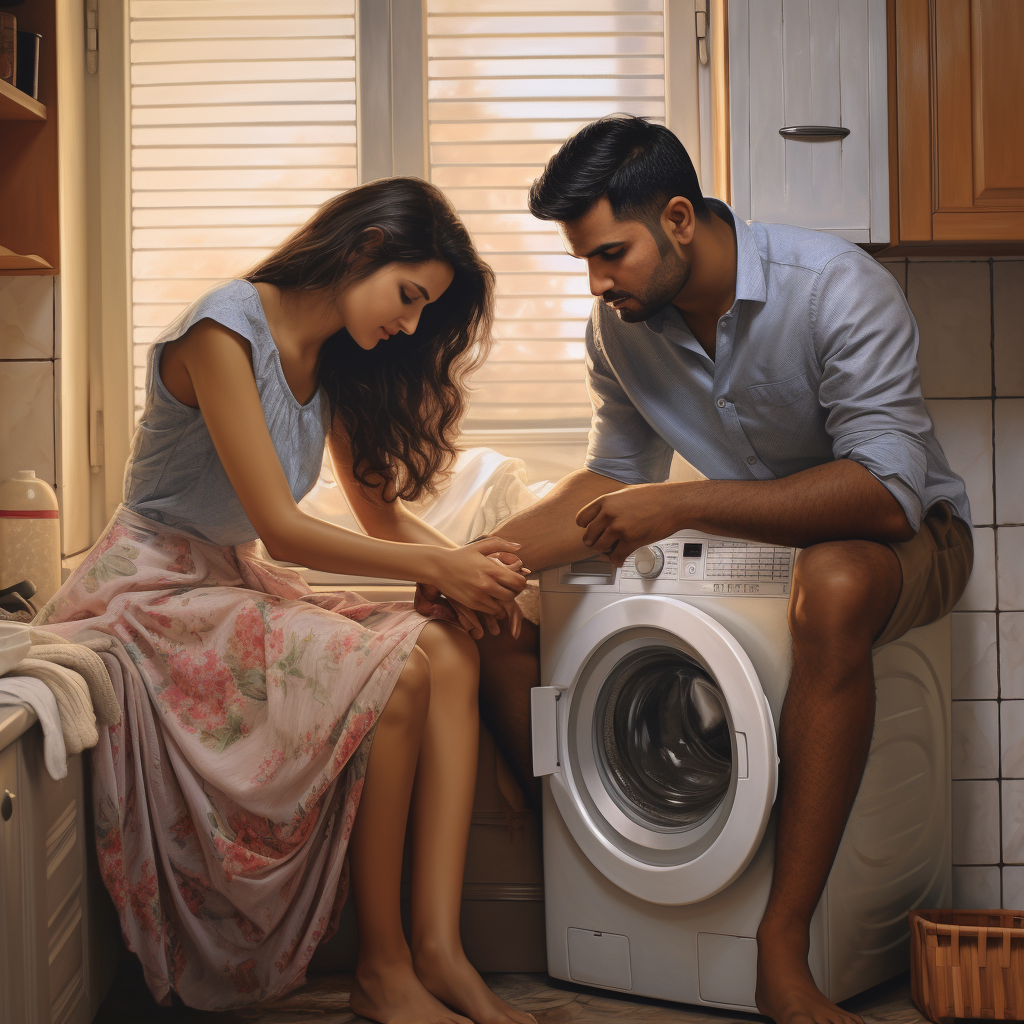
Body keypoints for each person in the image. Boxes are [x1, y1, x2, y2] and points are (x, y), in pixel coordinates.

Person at [462, 116, 973, 1024]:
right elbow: (614, 478)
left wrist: (684, 504)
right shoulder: (621, 329)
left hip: (905, 537)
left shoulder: (837, 290)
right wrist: (478, 562)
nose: (598, 282)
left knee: (837, 582)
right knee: (507, 612)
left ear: (679, 219)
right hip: (762, 544)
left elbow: (888, 493)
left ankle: (782, 949)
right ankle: (600, 879)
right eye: (585, 260)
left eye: (612, 254)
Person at [36, 178, 537, 1024]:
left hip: (223, 580)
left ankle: (439, 953)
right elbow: (282, 526)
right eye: (409, 297)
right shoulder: (221, 329)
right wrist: (449, 571)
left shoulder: (339, 358)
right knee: (404, 672)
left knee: (445, 647)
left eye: (425, 311)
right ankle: (381, 971)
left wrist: (466, 568)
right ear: (365, 245)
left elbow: (380, 513)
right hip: (148, 589)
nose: (410, 325)